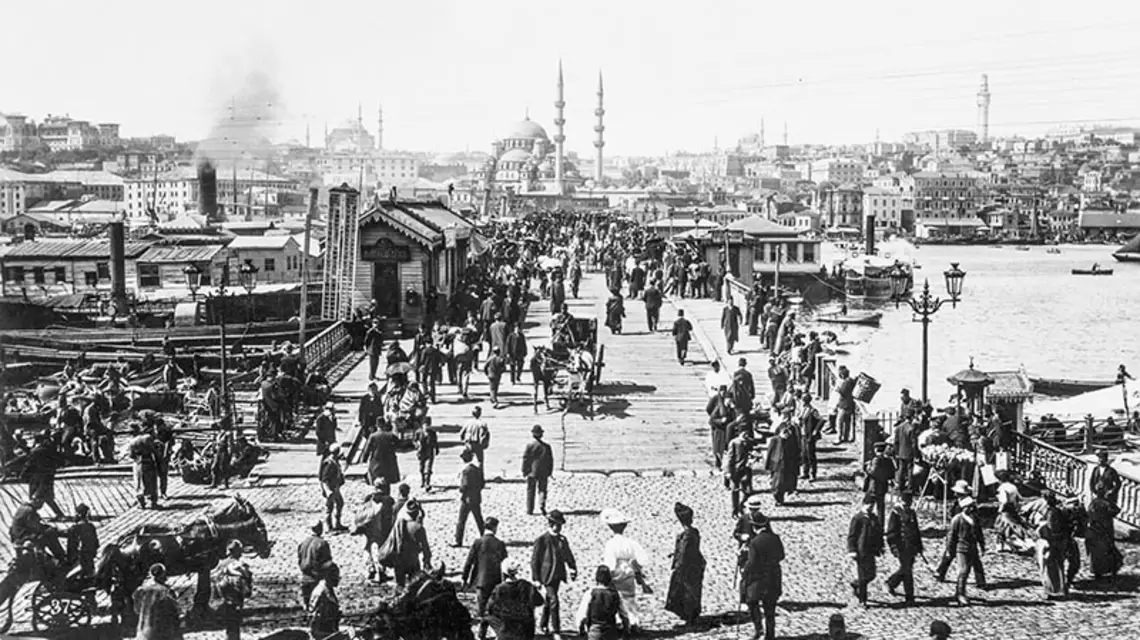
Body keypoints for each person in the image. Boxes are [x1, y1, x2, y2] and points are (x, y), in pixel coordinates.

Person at [600, 509, 652, 633]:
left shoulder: (611, 544)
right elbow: (642, 559)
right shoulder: (631, 543)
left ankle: (621, 622)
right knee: (630, 598)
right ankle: (634, 622)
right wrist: (636, 568)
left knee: (617, 598)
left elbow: (610, 563)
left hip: (617, 573)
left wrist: (609, 574)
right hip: (628, 573)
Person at [532, 510, 578, 639]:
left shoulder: (562, 539)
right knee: (554, 600)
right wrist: (536, 578)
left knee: (549, 599)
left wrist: (572, 568)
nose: (560, 528)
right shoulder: (542, 540)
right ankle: (556, 630)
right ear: (551, 524)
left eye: (561, 525)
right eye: (558, 525)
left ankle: (543, 624)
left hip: (558, 575)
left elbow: (568, 555)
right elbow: (535, 560)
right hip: (546, 576)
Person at [739, 510, 784, 640]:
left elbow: (752, 563)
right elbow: (781, 555)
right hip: (774, 577)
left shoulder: (755, 542)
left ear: (754, 526)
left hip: (758, 579)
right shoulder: (775, 538)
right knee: (770, 609)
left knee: (752, 602)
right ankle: (770, 634)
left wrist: (744, 569)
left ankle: (759, 629)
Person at [464, 516, 509, 640]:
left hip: (481, 580)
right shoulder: (500, 543)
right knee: (495, 608)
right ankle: (495, 632)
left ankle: (481, 634)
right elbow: (505, 564)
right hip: (495, 581)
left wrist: (465, 578)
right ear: (494, 528)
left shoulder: (478, 542)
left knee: (482, 607)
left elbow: (469, 561)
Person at [664, 502, 704, 624]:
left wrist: (677, 566)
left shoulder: (685, 535)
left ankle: (689, 615)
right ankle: (692, 613)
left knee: (686, 591)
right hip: (696, 564)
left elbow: (683, 552)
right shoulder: (694, 531)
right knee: (694, 589)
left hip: (687, 567)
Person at [487, 556, 545, 640]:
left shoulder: (499, 589)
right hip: (526, 631)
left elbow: (489, 608)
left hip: (506, 630)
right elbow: (540, 601)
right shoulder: (526, 585)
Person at [946, 496, 986, 606]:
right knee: (963, 571)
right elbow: (951, 536)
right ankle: (960, 594)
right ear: (964, 508)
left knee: (967, 571)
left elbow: (979, 533)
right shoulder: (957, 519)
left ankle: (961, 592)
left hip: (972, 548)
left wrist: (982, 545)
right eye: (970, 507)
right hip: (961, 549)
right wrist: (949, 550)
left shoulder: (974, 519)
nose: (972, 509)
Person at [885, 490, 923, 605]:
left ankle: (891, 582)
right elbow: (891, 532)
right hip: (901, 546)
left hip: (911, 546)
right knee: (907, 570)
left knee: (906, 569)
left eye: (909, 503)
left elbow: (915, 530)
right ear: (901, 501)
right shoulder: (896, 513)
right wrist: (894, 548)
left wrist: (919, 546)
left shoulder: (912, 512)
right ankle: (909, 597)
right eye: (906, 503)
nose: (908, 505)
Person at [847, 493, 883, 608]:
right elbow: (852, 536)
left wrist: (880, 546)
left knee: (872, 575)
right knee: (863, 577)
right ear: (863, 504)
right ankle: (863, 600)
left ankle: (856, 584)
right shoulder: (857, 518)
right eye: (869, 505)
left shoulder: (874, 518)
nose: (871, 507)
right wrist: (852, 550)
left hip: (871, 551)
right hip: (860, 551)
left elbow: (878, 534)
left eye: (873, 505)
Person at [574, 565, 629, 640]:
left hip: (595, 630)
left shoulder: (590, 593)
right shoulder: (616, 594)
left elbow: (582, 615)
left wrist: (581, 629)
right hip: (610, 631)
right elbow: (624, 615)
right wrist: (626, 629)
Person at [213, 540, 252, 640]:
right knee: (235, 619)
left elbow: (215, 580)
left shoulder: (222, 565)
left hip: (226, 596)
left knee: (230, 620)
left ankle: (231, 636)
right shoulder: (242, 565)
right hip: (236, 595)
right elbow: (247, 579)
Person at [388, 498, 432, 586]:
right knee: (414, 585)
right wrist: (426, 560)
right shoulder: (418, 528)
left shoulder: (398, 524)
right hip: (413, 560)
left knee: (399, 585)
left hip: (399, 559)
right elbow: (425, 547)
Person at [133, 563, 181, 640]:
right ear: (163, 575)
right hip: (160, 629)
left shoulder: (141, 590)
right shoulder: (166, 591)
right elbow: (175, 610)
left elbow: (136, 609)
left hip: (144, 630)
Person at [1086, 484, 1124, 579]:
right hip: (1106, 529)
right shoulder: (1107, 503)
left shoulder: (1093, 503)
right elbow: (1116, 511)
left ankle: (1096, 571)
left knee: (1096, 552)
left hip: (1095, 529)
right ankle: (1111, 569)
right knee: (1108, 549)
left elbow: (1089, 515)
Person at [297, 521, 333, 609]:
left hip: (304, 578)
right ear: (321, 529)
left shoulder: (303, 543)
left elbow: (299, 560)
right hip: (317, 578)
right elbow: (327, 563)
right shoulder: (322, 543)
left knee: (307, 608)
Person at [764, 419, 800, 506]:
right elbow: (770, 453)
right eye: (785, 433)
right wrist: (768, 467)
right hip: (778, 466)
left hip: (788, 465)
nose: (787, 435)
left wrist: (797, 464)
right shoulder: (775, 440)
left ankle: (781, 499)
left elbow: (796, 453)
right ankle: (777, 498)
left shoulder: (792, 440)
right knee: (777, 485)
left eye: (788, 433)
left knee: (785, 484)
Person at [455, 448, 486, 547]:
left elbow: (465, 486)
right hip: (476, 498)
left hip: (467, 499)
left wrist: (460, 489)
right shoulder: (477, 469)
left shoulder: (466, 471)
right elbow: (482, 484)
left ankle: (458, 541)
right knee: (479, 520)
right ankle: (484, 537)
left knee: (461, 521)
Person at [522, 425, 554, 516]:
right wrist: (550, 471)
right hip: (543, 471)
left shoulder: (530, 445)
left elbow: (526, 459)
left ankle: (529, 509)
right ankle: (542, 505)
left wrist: (524, 470)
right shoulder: (547, 446)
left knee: (530, 490)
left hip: (532, 471)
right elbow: (550, 460)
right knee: (542, 489)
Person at [128, 425, 160, 510]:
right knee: (152, 482)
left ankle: (141, 503)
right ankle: (153, 503)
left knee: (139, 482)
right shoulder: (147, 438)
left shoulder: (132, 442)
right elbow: (154, 450)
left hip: (138, 463)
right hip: (148, 461)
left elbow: (131, 455)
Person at [725, 427, 754, 518]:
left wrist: (753, 459)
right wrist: (728, 471)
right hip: (735, 471)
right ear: (739, 433)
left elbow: (752, 452)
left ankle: (741, 506)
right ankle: (735, 511)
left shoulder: (749, 441)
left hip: (746, 470)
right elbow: (730, 458)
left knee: (748, 491)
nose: (746, 435)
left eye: (747, 433)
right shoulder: (734, 443)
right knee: (735, 492)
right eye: (744, 434)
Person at [309, 562, 341, 640]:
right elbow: (313, 618)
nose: (337, 578)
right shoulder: (320, 592)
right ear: (327, 576)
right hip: (322, 635)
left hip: (331, 632)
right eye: (335, 575)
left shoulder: (329, 590)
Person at [863, 442, 895, 522]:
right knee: (881, 509)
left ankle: (868, 525)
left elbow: (873, 472)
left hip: (873, 486)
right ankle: (881, 526)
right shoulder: (888, 461)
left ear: (876, 449)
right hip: (883, 487)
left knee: (868, 506)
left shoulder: (875, 460)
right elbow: (892, 474)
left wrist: (867, 467)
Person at [318, 444, 346, 532]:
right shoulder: (329, 463)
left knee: (340, 503)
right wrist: (328, 491)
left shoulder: (335, 461)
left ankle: (337, 523)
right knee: (329, 508)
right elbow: (324, 479)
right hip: (330, 488)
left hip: (336, 487)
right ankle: (329, 527)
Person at [363, 420, 400, 486]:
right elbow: (399, 445)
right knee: (387, 480)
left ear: (377, 426)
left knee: (376, 480)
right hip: (389, 462)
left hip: (376, 461)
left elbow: (367, 449)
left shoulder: (373, 436)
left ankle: (379, 493)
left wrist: (364, 458)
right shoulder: (391, 435)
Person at [66, 503, 99, 577]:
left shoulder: (74, 528)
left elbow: (71, 547)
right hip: (90, 556)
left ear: (79, 515)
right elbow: (96, 544)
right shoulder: (91, 526)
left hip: (81, 558)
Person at [795, 393, 822, 481]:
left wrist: (816, 430)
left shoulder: (813, 411)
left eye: (803, 400)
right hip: (803, 434)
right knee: (804, 455)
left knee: (811, 455)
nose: (801, 402)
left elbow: (821, 420)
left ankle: (812, 474)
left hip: (809, 435)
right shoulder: (803, 409)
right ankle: (805, 472)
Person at [414, 418, 439, 491]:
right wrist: (417, 445)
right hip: (421, 452)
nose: (427, 426)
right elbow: (414, 441)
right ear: (422, 425)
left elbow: (435, 442)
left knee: (428, 468)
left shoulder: (432, 433)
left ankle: (427, 483)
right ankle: (423, 481)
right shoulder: (418, 432)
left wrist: (437, 449)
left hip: (430, 451)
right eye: (425, 425)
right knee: (421, 468)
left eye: (428, 425)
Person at [834, 366, 857, 443]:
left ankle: (839, 438)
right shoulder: (851, 381)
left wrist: (838, 389)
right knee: (847, 422)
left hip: (844, 405)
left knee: (839, 422)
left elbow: (843, 392)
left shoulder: (846, 382)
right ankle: (846, 437)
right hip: (850, 404)